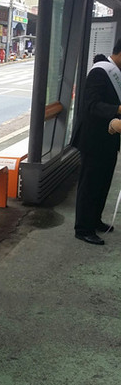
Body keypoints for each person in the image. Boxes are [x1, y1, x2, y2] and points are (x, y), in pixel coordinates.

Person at [72, 39, 121, 245]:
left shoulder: (116, 74)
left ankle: (95, 220)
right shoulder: (99, 72)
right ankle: (83, 228)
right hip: (93, 139)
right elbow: (91, 105)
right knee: (90, 184)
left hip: (110, 138)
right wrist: (118, 110)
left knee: (103, 183)